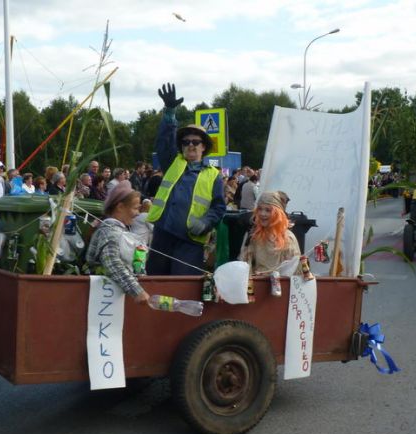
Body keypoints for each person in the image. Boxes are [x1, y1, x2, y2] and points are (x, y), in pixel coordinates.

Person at [145, 83, 226, 276]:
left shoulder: (214, 175)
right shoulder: (173, 161)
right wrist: (169, 113)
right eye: (186, 142)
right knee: (156, 283)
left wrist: (206, 222)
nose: (190, 145)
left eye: (195, 142)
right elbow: (164, 140)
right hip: (163, 236)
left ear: (204, 147)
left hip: (190, 242)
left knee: (184, 287)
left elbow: (219, 207)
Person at [86, 181, 150, 304]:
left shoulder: (118, 231)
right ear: (120, 207)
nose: (137, 213)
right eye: (135, 208)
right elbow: (113, 263)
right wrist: (137, 291)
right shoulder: (110, 232)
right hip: (102, 301)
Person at [239, 191, 300, 274]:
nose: (262, 214)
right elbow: (245, 266)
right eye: (260, 209)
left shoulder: (288, 238)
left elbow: (294, 271)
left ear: (278, 214)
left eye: (268, 210)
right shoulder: (253, 235)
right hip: (258, 284)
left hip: (280, 285)